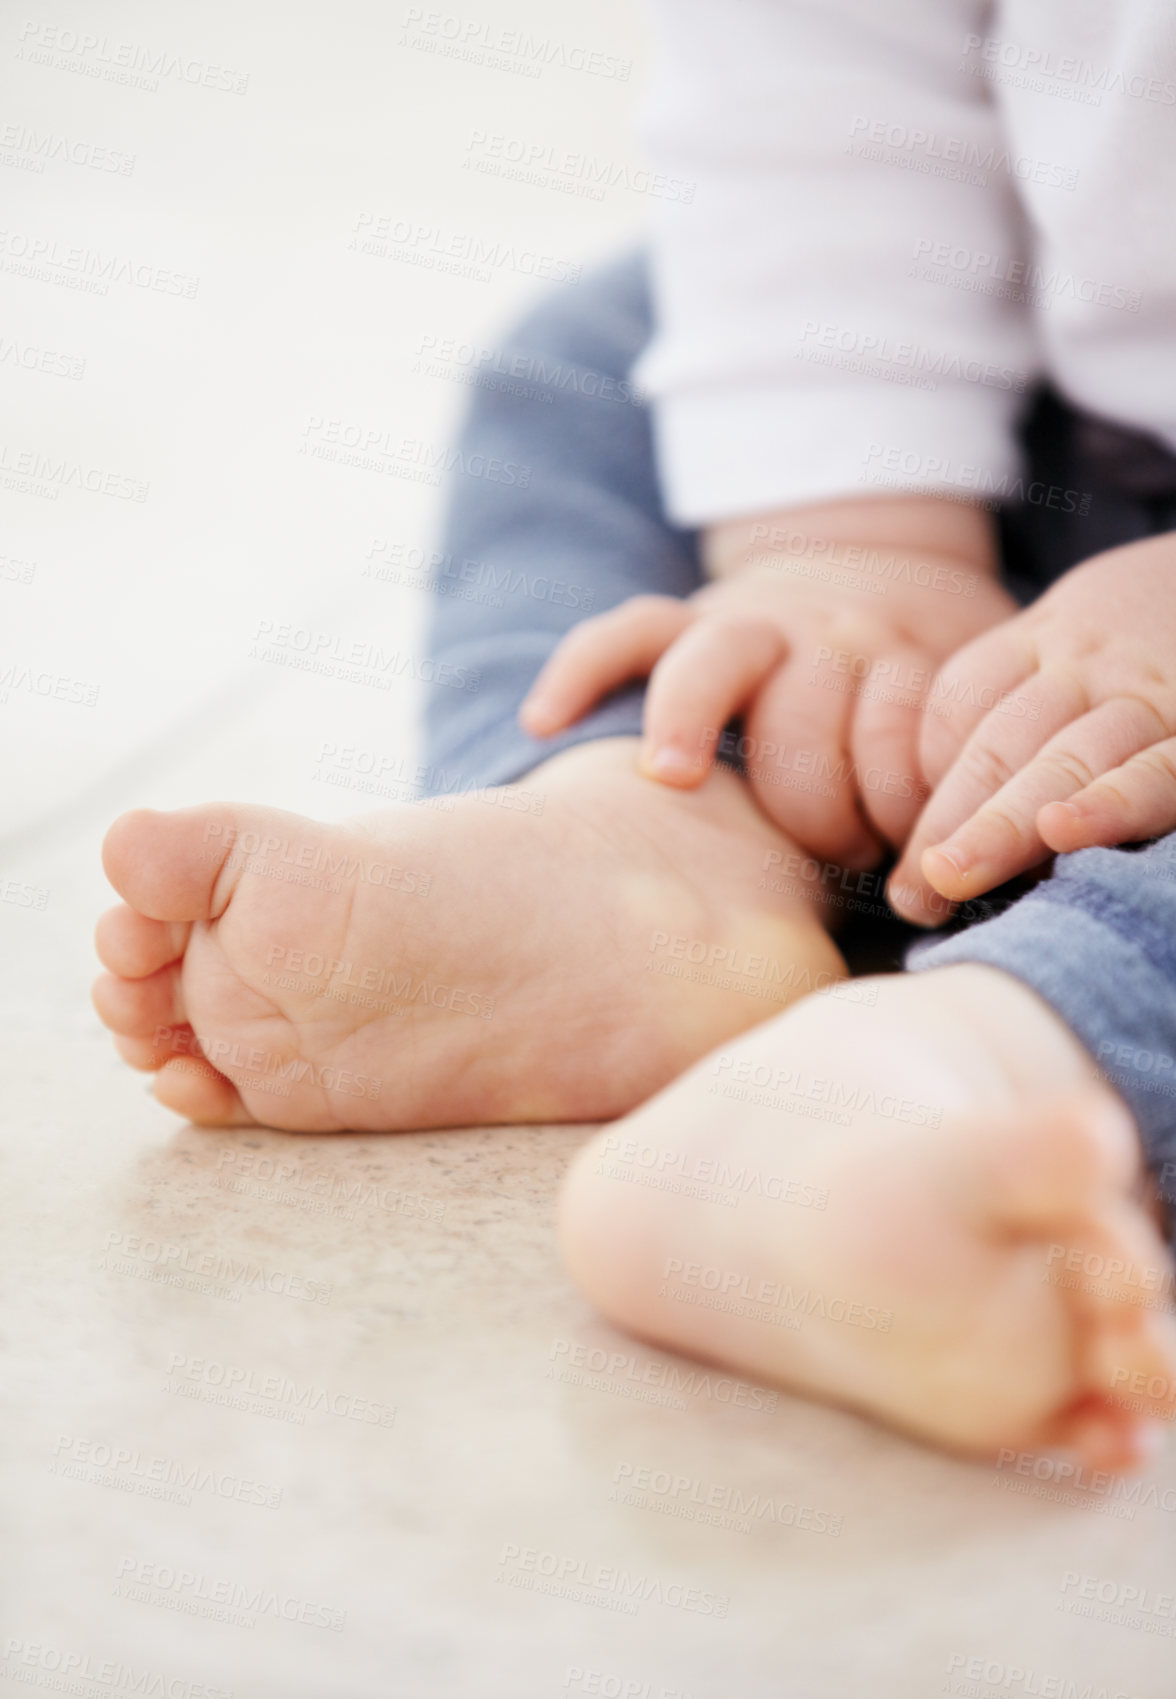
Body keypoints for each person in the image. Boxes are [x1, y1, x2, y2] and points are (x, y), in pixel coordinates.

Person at [92, 1, 1176, 1466]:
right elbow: (822, 84)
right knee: (604, 352)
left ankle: (976, 1060)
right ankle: (646, 841)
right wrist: (848, 538)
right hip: (1050, 409)